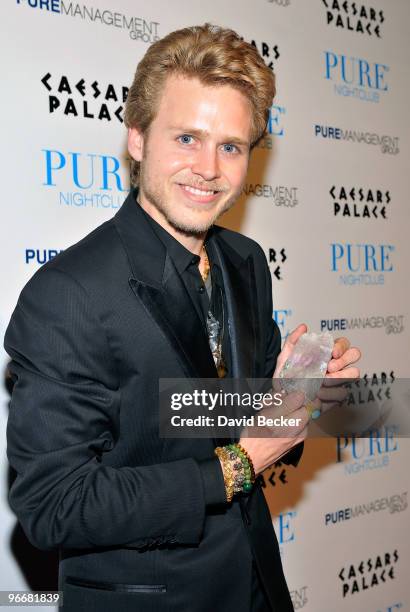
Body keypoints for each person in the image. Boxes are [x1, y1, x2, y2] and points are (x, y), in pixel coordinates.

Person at [4, 24, 360, 612]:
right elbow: (53, 505)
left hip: (256, 589)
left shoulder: (244, 262)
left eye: (230, 146)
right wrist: (238, 465)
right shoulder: (68, 293)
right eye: (187, 138)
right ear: (137, 138)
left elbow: (242, 425)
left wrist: (301, 398)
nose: (209, 169)